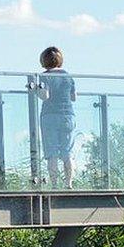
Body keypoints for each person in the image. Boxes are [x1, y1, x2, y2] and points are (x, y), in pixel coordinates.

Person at [37, 46, 76, 189]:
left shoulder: (44, 76)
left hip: (49, 115)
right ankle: (69, 182)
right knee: (67, 151)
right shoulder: (68, 76)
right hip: (67, 115)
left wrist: (36, 90)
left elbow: (44, 96)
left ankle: (54, 184)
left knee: (51, 152)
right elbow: (73, 97)